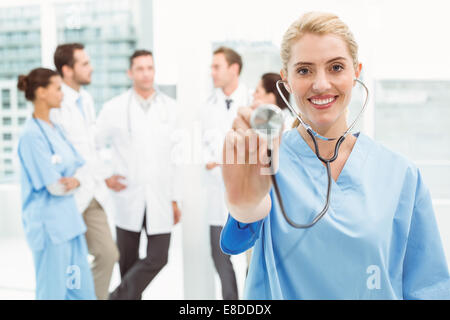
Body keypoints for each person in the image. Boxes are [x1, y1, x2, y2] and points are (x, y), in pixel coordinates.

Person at [220, 12, 450, 299]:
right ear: (286, 80)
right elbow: (234, 242)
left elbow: (428, 286)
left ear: (356, 72)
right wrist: (245, 208)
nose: (321, 84)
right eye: (304, 70)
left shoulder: (400, 174)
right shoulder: (267, 162)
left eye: (336, 67)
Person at [96, 50, 182, 300]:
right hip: (128, 197)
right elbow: (92, 144)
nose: (146, 73)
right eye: (140, 68)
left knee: (159, 256)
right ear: (130, 73)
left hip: (160, 195)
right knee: (127, 265)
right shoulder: (114, 108)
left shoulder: (171, 109)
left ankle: (114, 297)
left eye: (150, 68)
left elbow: (177, 158)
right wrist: (105, 176)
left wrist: (176, 198)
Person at [17, 68, 96, 300]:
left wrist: (76, 180)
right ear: (41, 92)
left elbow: (81, 165)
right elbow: (53, 186)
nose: (62, 94)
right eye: (58, 89)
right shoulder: (31, 136)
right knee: (53, 293)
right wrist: (71, 181)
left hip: (70, 225)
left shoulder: (56, 129)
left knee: (82, 292)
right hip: (49, 229)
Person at [50, 43, 119, 300]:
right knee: (69, 264)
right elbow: (56, 149)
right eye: (85, 64)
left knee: (108, 254)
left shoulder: (86, 100)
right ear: (67, 69)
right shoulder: (56, 102)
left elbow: (91, 147)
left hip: (91, 190)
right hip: (69, 195)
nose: (91, 68)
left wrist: (105, 174)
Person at [201, 46, 252, 299]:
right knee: (220, 255)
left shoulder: (253, 101)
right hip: (216, 193)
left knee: (252, 259)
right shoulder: (207, 106)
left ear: (234, 69)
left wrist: (226, 161)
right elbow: (199, 146)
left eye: (216, 66)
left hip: (247, 193)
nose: (212, 72)